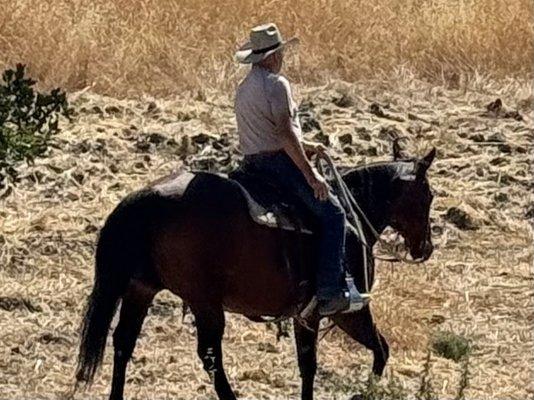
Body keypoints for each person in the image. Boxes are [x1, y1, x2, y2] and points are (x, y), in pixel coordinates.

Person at [234, 23, 368, 316]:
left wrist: (307, 145)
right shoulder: (276, 84)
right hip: (278, 165)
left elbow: (265, 134)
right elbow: (283, 134)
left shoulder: (244, 89)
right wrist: (312, 174)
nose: (282, 58)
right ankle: (330, 291)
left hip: (251, 164)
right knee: (334, 214)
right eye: (280, 52)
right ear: (271, 56)